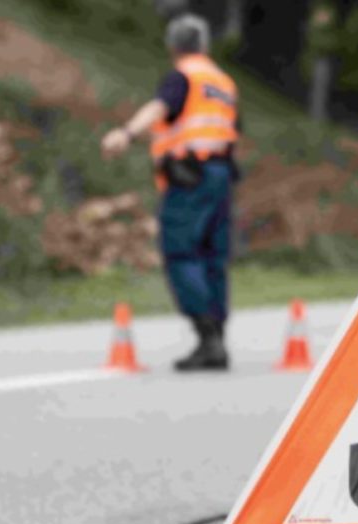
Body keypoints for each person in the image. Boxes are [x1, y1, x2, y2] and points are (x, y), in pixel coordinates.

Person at [101, 13, 239, 371]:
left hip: (188, 175)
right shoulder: (223, 82)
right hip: (220, 174)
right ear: (205, 45)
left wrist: (127, 133)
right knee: (212, 255)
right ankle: (217, 339)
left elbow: (160, 108)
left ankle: (207, 337)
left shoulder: (184, 76)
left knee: (181, 252)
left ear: (173, 46)